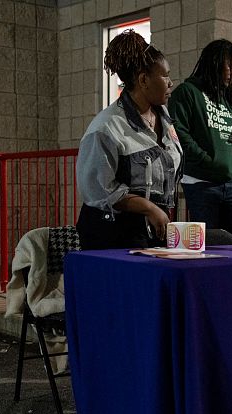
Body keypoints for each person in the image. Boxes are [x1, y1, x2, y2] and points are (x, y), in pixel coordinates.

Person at [75, 30, 181, 250]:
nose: (170, 83)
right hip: (112, 235)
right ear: (143, 80)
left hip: (152, 232)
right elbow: (100, 191)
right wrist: (148, 208)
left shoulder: (166, 120)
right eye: (165, 75)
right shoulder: (105, 128)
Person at [168, 39, 232, 242]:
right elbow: (179, 134)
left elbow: (229, 139)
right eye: (231, 66)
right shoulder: (187, 92)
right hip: (202, 182)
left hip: (231, 181)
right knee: (209, 244)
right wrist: (207, 161)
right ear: (215, 63)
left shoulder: (226, 98)